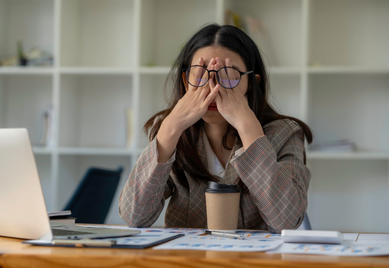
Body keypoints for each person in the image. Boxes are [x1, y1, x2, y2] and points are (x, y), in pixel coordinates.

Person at [118, 24, 313, 233]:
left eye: (228, 75)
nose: (213, 87)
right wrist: (170, 127)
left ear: (252, 84)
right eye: (201, 74)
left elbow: (286, 222)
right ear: (185, 82)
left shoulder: (286, 133)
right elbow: (134, 217)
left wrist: (249, 129)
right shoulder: (172, 132)